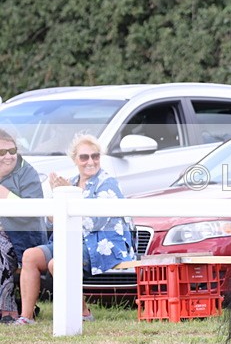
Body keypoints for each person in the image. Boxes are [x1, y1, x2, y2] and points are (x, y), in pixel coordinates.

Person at [14, 134, 136, 325]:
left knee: (58, 263)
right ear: (75, 160)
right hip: (70, 241)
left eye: (95, 156)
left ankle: (83, 313)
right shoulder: (70, 181)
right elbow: (52, 223)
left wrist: (70, 194)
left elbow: (95, 222)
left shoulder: (107, 183)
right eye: (84, 157)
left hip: (102, 243)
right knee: (30, 255)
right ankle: (26, 317)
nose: (91, 161)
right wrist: (57, 195)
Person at [0, 129, 48, 322]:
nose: (9, 156)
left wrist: (6, 194)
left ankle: (8, 311)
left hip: (24, 235)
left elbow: (31, 213)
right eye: (2, 152)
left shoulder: (27, 173)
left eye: (12, 151)